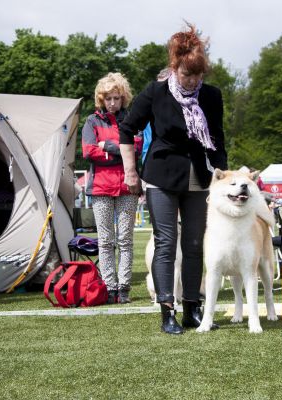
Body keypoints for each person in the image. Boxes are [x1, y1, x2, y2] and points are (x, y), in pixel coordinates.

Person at [119, 23, 227, 334]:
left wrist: (222, 175)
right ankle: (167, 311)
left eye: (197, 74)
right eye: (186, 74)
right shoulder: (155, 92)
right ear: (174, 67)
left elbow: (217, 139)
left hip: (198, 177)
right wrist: (130, 172)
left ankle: (193, 308)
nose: (192, 81)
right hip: (161, 176)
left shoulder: (211, 96)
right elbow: (127, 128)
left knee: (194, 244)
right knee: (166, 243)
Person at [82, 72, 141, 304]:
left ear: (123, 97)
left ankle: (124, 288)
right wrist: (120, 150)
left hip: (128, 186)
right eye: (108, 98)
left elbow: (136, 148)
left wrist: (107, 147)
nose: (112, 103)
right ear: (101, 99)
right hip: (100, 189)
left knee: (125, 240)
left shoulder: (132, 119)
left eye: (116, 98)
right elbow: (88, 152)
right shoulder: (91, 121)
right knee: (106, 241)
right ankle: (109, 287)